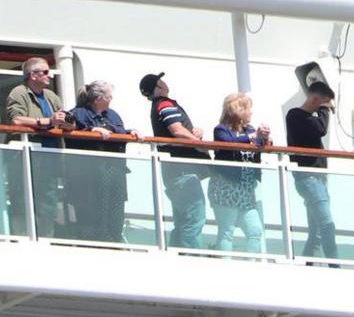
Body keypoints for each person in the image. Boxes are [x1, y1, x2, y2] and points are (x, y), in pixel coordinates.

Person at [4, 56, 68, 238]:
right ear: (32, 75)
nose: (50, 76)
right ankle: (23, 238)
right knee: (23, 200)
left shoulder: (51, 97)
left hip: (50, 156)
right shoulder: (19, 93)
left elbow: (63, 118)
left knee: (48, 202)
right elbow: (16, 119)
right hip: (26, 157)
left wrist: (69, 123)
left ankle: (46, 239)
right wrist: (46, 121)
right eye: (46, 72)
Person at [145, 73, 208, 249]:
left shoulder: (159, 105)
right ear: (158, 86)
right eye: (161, 81)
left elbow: (179, 130)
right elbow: (177, 130)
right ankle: (192, 260)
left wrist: (195, 133)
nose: (164, 82)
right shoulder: (164, 103)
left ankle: (177, 256)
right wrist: (201, 144)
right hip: (182, 171)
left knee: (183, 221)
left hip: (176, 171)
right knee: (194, 220)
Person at [67, 80, 130, 243]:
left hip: (115, 171)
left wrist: (130, 133)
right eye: (109, 96)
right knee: (93, 218)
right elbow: (69, 130)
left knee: (115, 216)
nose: (111, 99)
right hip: (91, 176)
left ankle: (114, 243)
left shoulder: (113, 115)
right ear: (98, 98)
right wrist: (90, 130)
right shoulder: (78, 113)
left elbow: (119, 132)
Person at [285, 80, 340, 262]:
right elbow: (321, 129)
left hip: (318, 179)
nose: (328, 110)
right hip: (308, 178)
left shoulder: (308, 119)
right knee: (327, 225)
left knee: (316, 231)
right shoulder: (295, 116)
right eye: (325, 103)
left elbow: (317, 130)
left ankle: (307, 265)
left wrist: (322, 107)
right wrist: (324, 109)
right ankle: (335, 266)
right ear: (315, 99)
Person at [210, 93, 272, 253]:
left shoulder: (249, 130)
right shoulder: (221, 130)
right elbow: (228, 143)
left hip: (246, 191)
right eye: (248, 109)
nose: (251, 113)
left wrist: (264, 139)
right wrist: (251, 137)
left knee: (255, 231)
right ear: (238, 111)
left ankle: (251, 267)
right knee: (227, 231)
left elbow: (258, 144)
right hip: (225, 188)